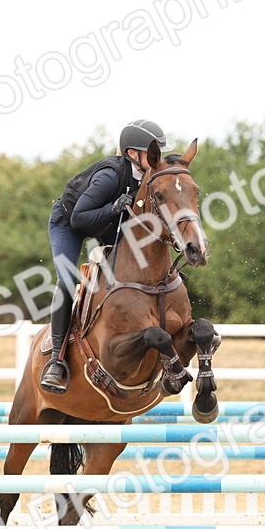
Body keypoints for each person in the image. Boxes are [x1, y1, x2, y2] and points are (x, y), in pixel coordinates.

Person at [40, 119, 169, 394]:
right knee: (67, 280)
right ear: (133, 154)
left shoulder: (148, 176)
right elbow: (79, 218)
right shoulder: (110, 175)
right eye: (151, 152)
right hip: (69, 222)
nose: (157, 157)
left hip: (107, 223)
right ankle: (56, 361)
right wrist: (112, 208)